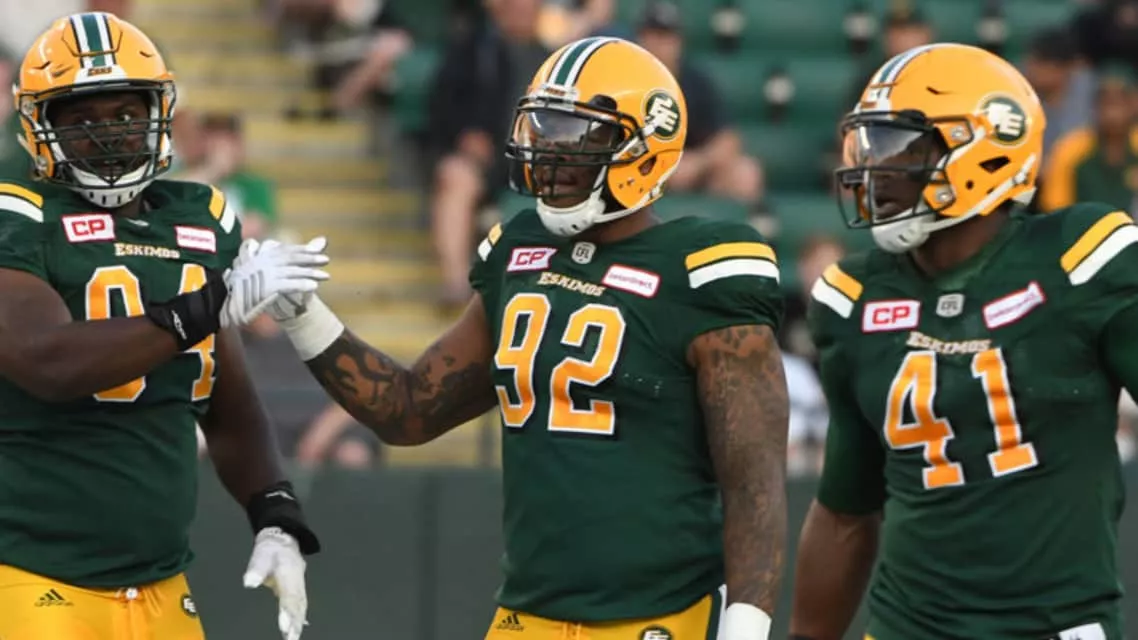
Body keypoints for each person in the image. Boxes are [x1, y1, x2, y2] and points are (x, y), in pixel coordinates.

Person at [240, 36, 789, 640]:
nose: (549, 151)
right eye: (544, 128)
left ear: (642, 149)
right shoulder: (521, 251)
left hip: (660, 617)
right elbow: (408, 409)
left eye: (575, 134)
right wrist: (302, 311)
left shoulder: (702, 270)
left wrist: (745, 627)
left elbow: (754, 483)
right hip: (526, 617)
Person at [0, 12, 330, 640]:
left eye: (126, 113)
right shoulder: (17, 213)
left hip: (161, 585)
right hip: (30, 574)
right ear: (41, 128)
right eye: (82, 119)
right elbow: (47, 361)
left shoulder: (199, 217)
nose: (109, 134)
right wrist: (204, 305)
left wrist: (275, 513)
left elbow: (226, 402)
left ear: (160, 111)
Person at [790, 42, 1133, 640]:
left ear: (984, 149)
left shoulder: (1081, 260)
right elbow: (845, 510)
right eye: (868, 146)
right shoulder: (854, 297)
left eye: (899, 148)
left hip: (1052, 627)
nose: (874, 170)